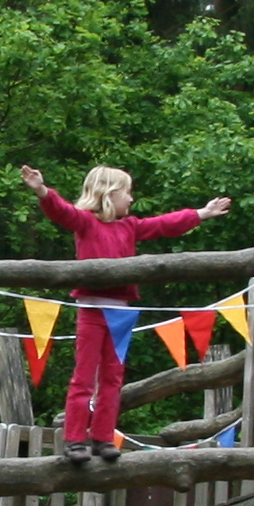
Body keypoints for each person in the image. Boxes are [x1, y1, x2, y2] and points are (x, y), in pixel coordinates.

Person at [20, 164, 231, 464]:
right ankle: (75, 439)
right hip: (92, 309)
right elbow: (61, 212)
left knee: (113, 377)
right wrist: (42, 190)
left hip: (121, 314)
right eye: (127, 192)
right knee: (84, 377)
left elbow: (164, 224)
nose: (131, 199)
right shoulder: (86, 223)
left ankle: (103, 437)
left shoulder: (130, 226)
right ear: (109, 193)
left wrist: (200, 213)